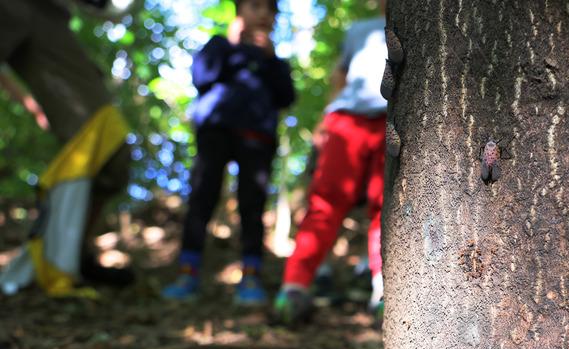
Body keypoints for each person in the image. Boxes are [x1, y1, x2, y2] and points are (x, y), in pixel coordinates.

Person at [162, 0, 295, 305]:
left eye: (269, 9)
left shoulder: (274, 61)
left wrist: (271, 60)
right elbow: (201, 77)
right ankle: (187, 273)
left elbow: (286, 96)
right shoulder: (219, 45)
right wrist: (231, 44)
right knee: (202, 196)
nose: (263, 14)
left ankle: (251, 278)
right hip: (216, 130)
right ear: (239, 12)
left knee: (252, 204)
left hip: (257, 135)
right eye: (255, 6)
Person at [0, 0, 134, 296]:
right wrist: (29, 102)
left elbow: (107, 7)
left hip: (96, 108)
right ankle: (54, 264)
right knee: (81, 174)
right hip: (77, 117)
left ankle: (76, 255)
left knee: (113, 167)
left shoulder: (54, 12)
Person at [272, 6, 387, 324]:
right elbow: (340, 74)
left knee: (386, 207)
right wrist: (326, 119)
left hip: (392, 120)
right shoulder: (359, 28)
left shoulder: (424, 26)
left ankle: (384, 292)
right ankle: (294, 287)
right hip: (347, 119)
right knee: (325, 200)